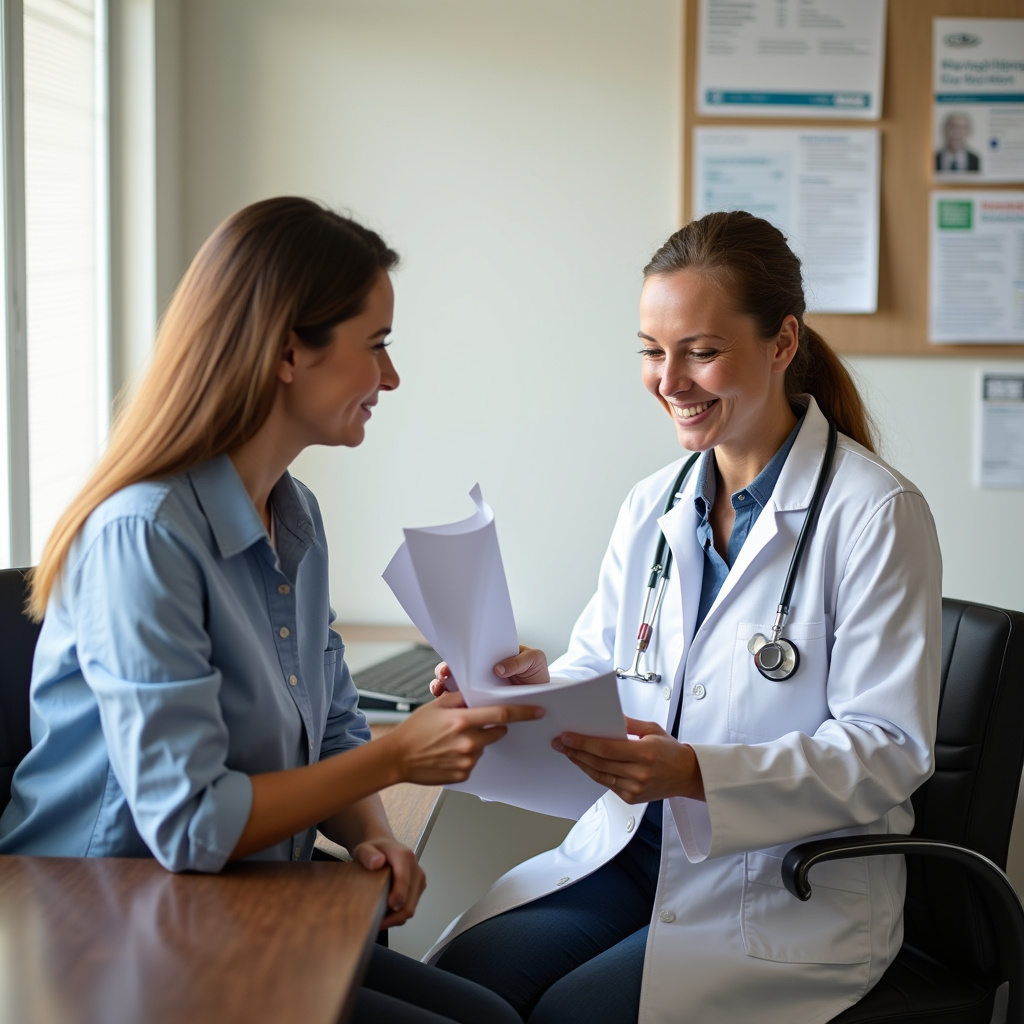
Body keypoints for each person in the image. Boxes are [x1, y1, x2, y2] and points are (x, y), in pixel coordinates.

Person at [0, 196, 537, 1024]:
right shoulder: (143, 537)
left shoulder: (295, 515)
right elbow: (188, 825)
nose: (390, 378)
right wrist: (397, 763)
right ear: (290, 351)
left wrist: (370, 833)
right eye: (377, 346)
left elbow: (329, 727)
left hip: (226, 894)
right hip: (104, 915)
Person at [426, 210, 942, 1024]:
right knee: (460, 982)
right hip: (634, 855)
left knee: (571, 1015)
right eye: (651, 351)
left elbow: (889, 751)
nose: (670, 380)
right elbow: (606, 672)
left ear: (781, 344)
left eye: (701, 352)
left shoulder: (874, 514)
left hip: (776, 889)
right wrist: (523, 687)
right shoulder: (654, 506)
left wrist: (699, 773)